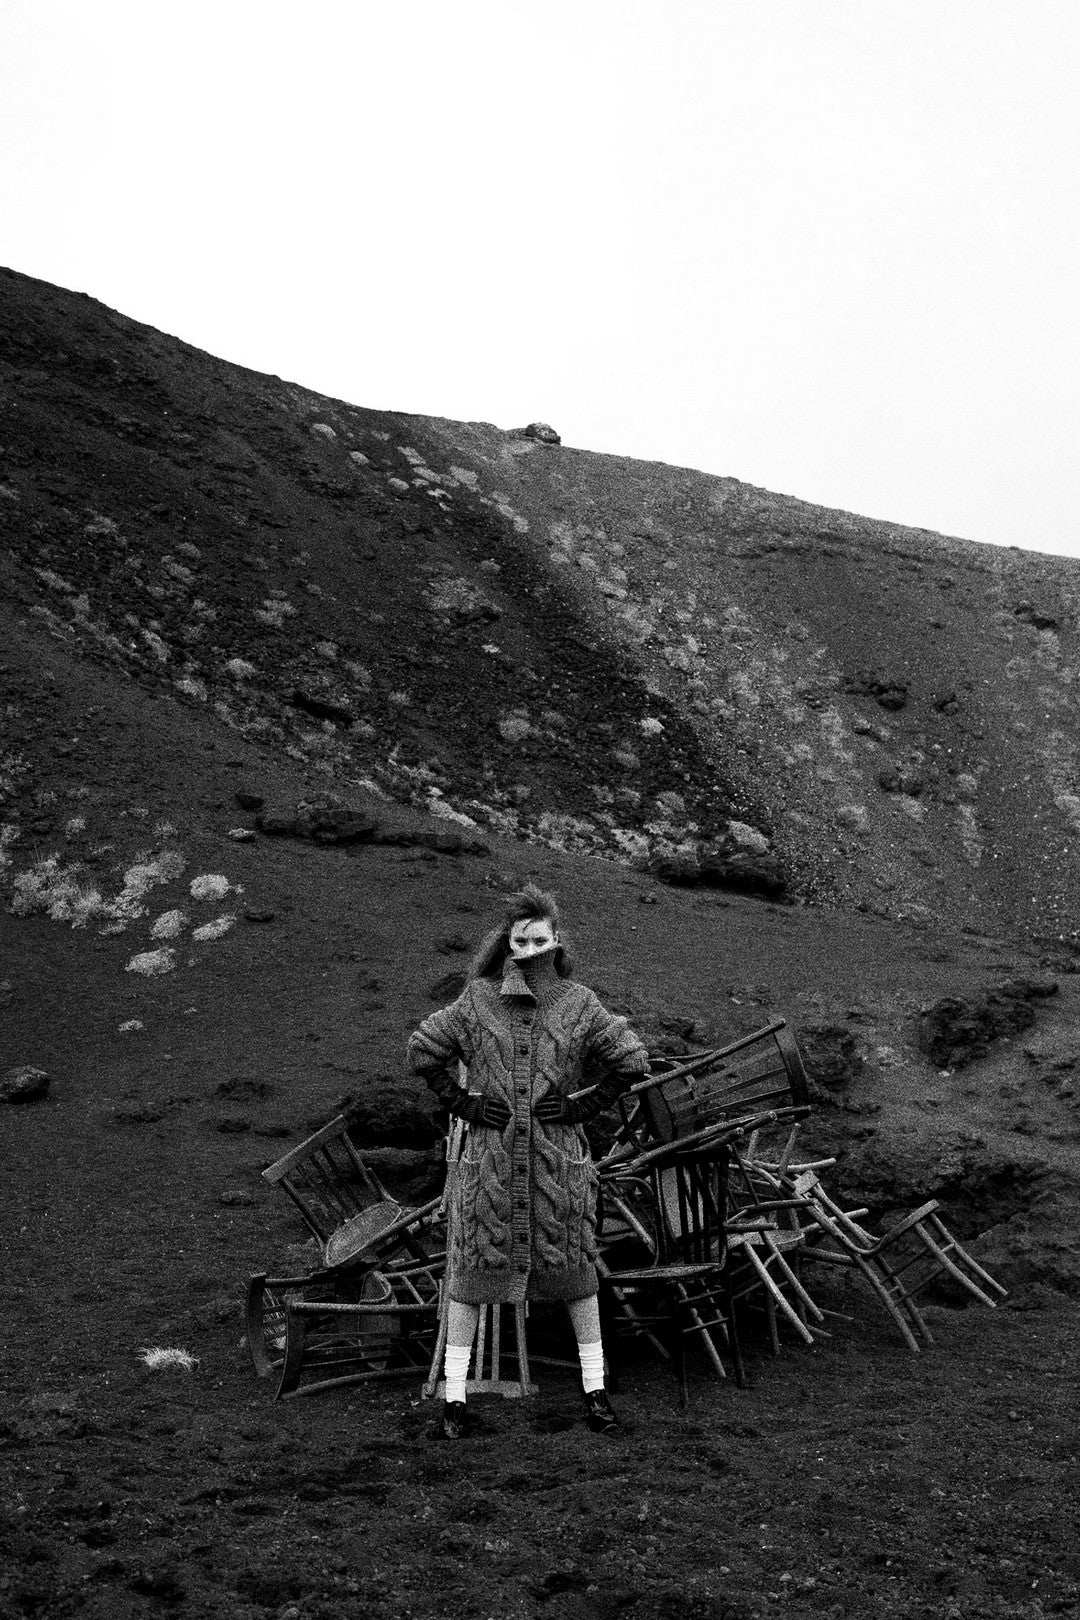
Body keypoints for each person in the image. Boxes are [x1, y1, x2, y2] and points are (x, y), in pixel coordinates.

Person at [406, 883, 650, 1439]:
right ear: (509, 943)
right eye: (522, 939)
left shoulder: (580, 1003)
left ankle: (596, 1393)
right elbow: (423, 1050)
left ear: (555, 941)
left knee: (577, 1279)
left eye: (541, 938)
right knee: (468, 1279)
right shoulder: (476, 1000)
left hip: (557, 1169)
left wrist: (583, 1103)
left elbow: (631, 1059)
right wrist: (464, 1102)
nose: (532, 948)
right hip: (487, 1167)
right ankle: (454, 1400)